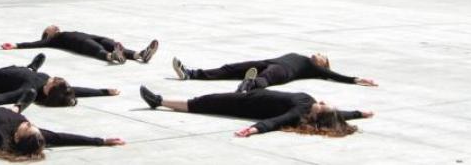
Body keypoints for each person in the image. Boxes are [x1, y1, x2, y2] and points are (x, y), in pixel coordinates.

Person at [139, 85, 373, 138]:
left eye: (325, 105)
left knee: (202, 102)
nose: (324, 101)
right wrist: (358, 113)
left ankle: (158, 101)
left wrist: (253, 129)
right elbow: (339, 114)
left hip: (243, 105)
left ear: (318, 114)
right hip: (252, 95)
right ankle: (159, 100)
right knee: (205, 100)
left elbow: (276, 121)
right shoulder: (311, 104)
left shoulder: (300, 111)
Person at [171, 53, 377, 91]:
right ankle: (191, 73)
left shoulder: (312, 67)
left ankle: (248, 86)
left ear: (322, 65)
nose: (319, 54)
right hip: (267, 62)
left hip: (283, 70)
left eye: (323, 57)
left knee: (265, 78)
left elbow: (333, 76)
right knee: (231, 68)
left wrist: (355, 79)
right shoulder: (303, 56)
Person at [1, 25, 159, 65]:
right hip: (81, 43)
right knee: (97, 50)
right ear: (47, 34)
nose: (54, 26)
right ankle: (113, 57)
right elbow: (36, 44)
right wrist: (16, 45)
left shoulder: (63, 32)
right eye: (50, 27)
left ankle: (140, 55)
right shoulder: (53, 39)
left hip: (94, 37)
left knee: (112, 44)